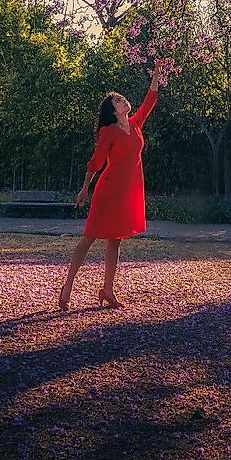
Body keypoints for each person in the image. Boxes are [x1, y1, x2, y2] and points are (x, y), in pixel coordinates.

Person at [58, 62, 163, 311]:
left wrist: (157, 74)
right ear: (112, 110)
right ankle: (68, 285)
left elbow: (150, 100)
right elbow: (95, 163)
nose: (123, 100)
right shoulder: (108, 132)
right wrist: (84, 189)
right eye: (117, 100)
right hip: (108, 191)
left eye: (122, 98)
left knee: (115, 241)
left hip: (128, 193)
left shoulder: (135, 124)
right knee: (89, 238)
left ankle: (108, 290)